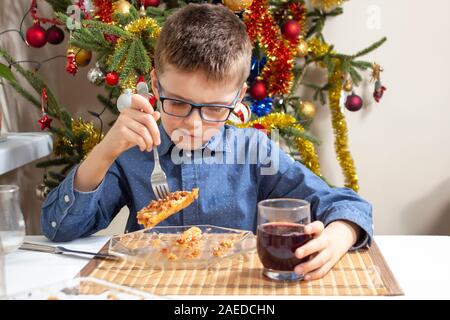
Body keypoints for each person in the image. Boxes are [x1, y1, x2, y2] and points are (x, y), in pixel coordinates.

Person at [41, 3, 372, 281]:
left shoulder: (256, 152)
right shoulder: (132, 152)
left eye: (214, 109)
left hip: (234, 289)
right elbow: (61, 229)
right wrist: (105, 151)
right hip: (149, 286)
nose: (194, 124)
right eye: (178, 103)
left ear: (238, 97)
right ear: (156, 84)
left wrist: (340, 234)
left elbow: (347, 204)